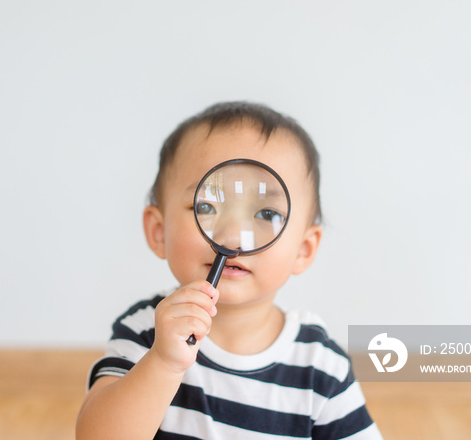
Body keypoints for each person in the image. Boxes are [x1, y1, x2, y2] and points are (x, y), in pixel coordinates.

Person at [76, 102, 382, 439]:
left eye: (267, 214)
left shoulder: (322, 366)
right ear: (159, 231)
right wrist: (163, 362)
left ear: (304, 249)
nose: (233, 236)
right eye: (206, 206)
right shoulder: (147, 330)